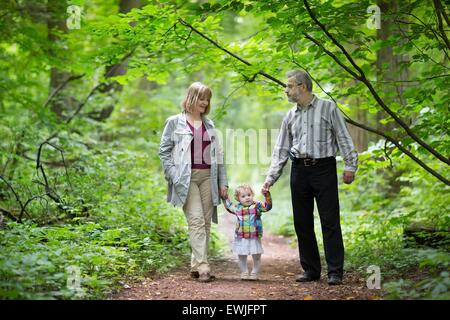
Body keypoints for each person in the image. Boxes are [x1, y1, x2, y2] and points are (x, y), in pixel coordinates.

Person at [262, 70, 358, 286]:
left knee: (330, 221)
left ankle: (335, 272)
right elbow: (281, 149)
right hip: (299, 171)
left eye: (289, 86)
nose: (286, 90)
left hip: (324, 168)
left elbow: (342, 136)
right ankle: (311, 270)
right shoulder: (290, 115)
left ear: (302, 86)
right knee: (302, 222)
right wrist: (271, 178)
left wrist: (350, 164)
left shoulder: (328, 107)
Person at [159, 82, 228, 283]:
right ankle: (204, 266)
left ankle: (196, 265)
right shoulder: (174, 122)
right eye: (201, 98)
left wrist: (223, 182)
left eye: (207, 99)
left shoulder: (210, 125)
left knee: (205, 223)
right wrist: (174, 174)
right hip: (186, 178)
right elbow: (164, 152)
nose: (205, 103)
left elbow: (219, 157)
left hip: (208, 177)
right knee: (196, 220)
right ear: (191, 98)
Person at [224, 184, 272, 280]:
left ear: (252, 195)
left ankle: (254, 273)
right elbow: (229, 206)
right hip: (242, 236)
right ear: (238, 199)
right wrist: (225, 198)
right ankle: (244, 272)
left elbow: (267, 207)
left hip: (254, 235)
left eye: (249, 195)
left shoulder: (257, 206)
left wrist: (267, 195)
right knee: (242, 255)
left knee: (256, 255)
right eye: (243, 196)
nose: (247, 198)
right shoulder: (237, 208)